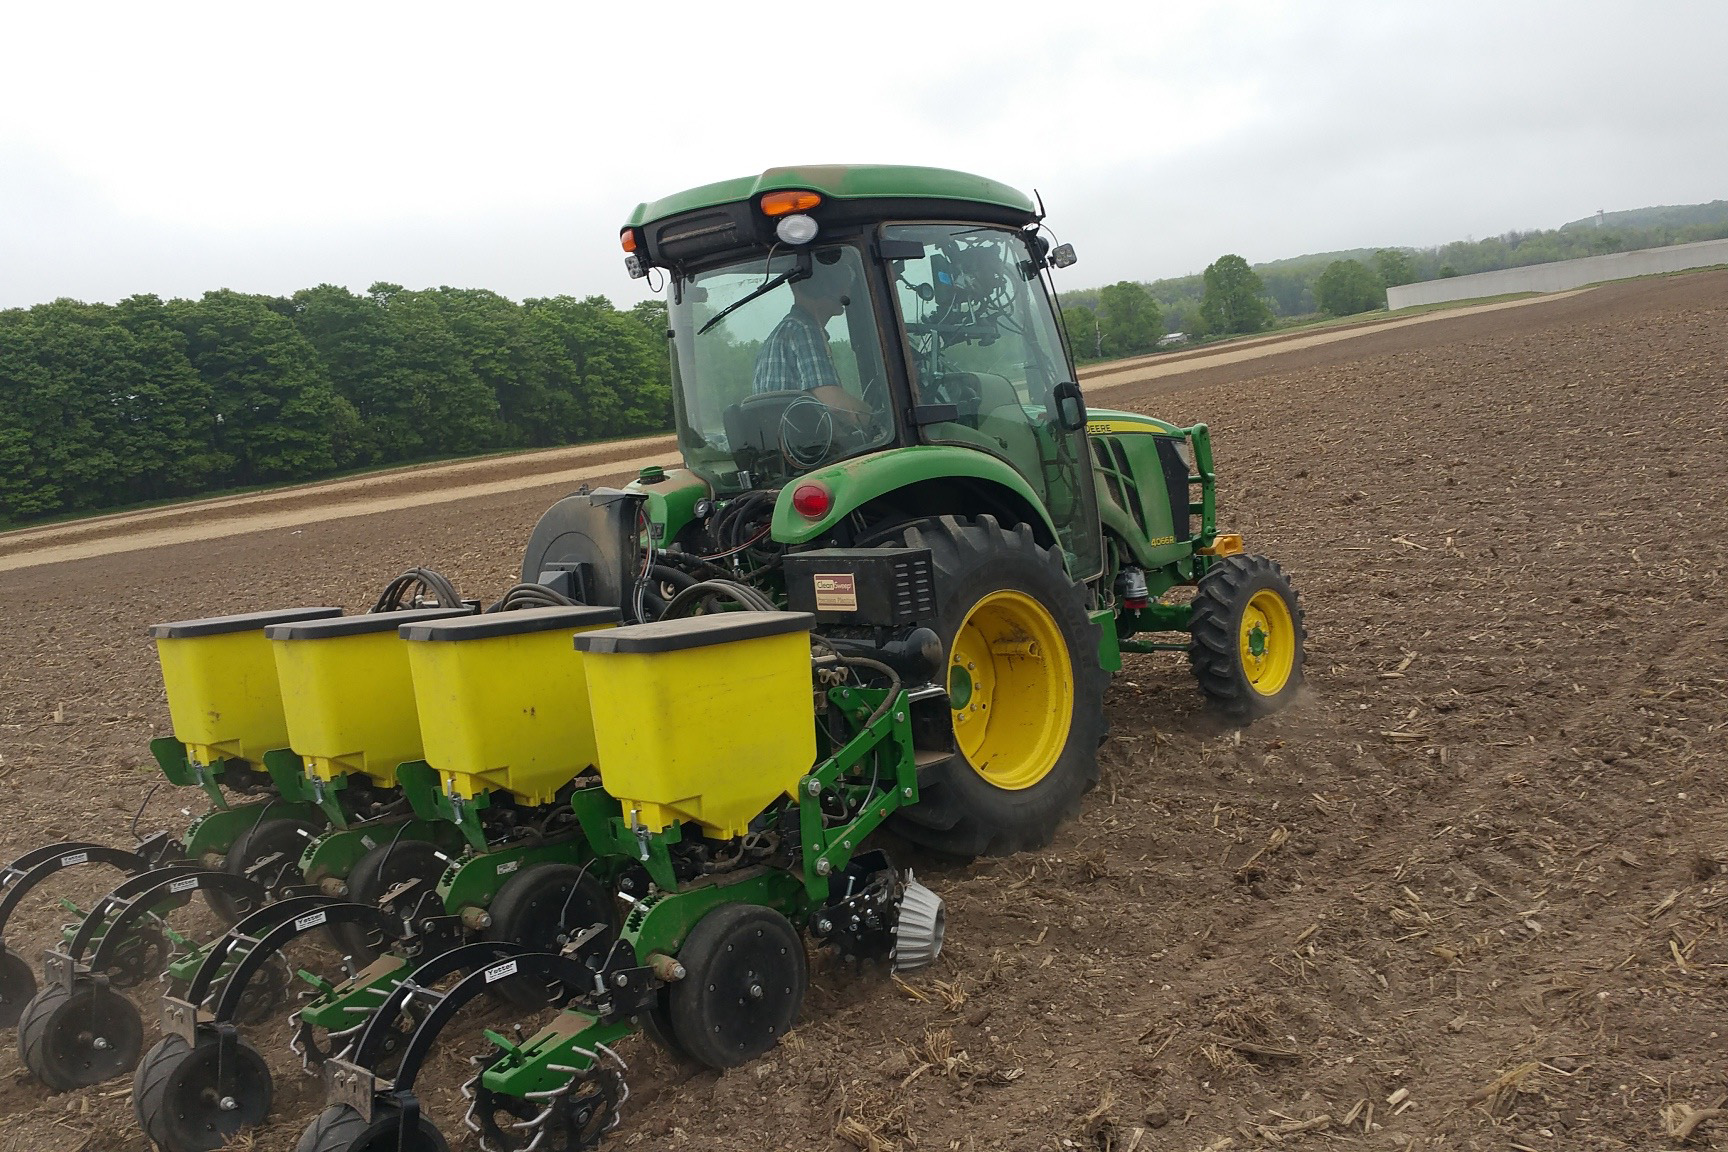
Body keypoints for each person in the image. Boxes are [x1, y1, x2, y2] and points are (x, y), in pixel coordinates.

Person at [751, 259, 850, 395]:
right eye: (838, 285)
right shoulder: (804, 330)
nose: (846, 292)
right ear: (815, 287)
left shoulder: (780, 335)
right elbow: (835, 405)